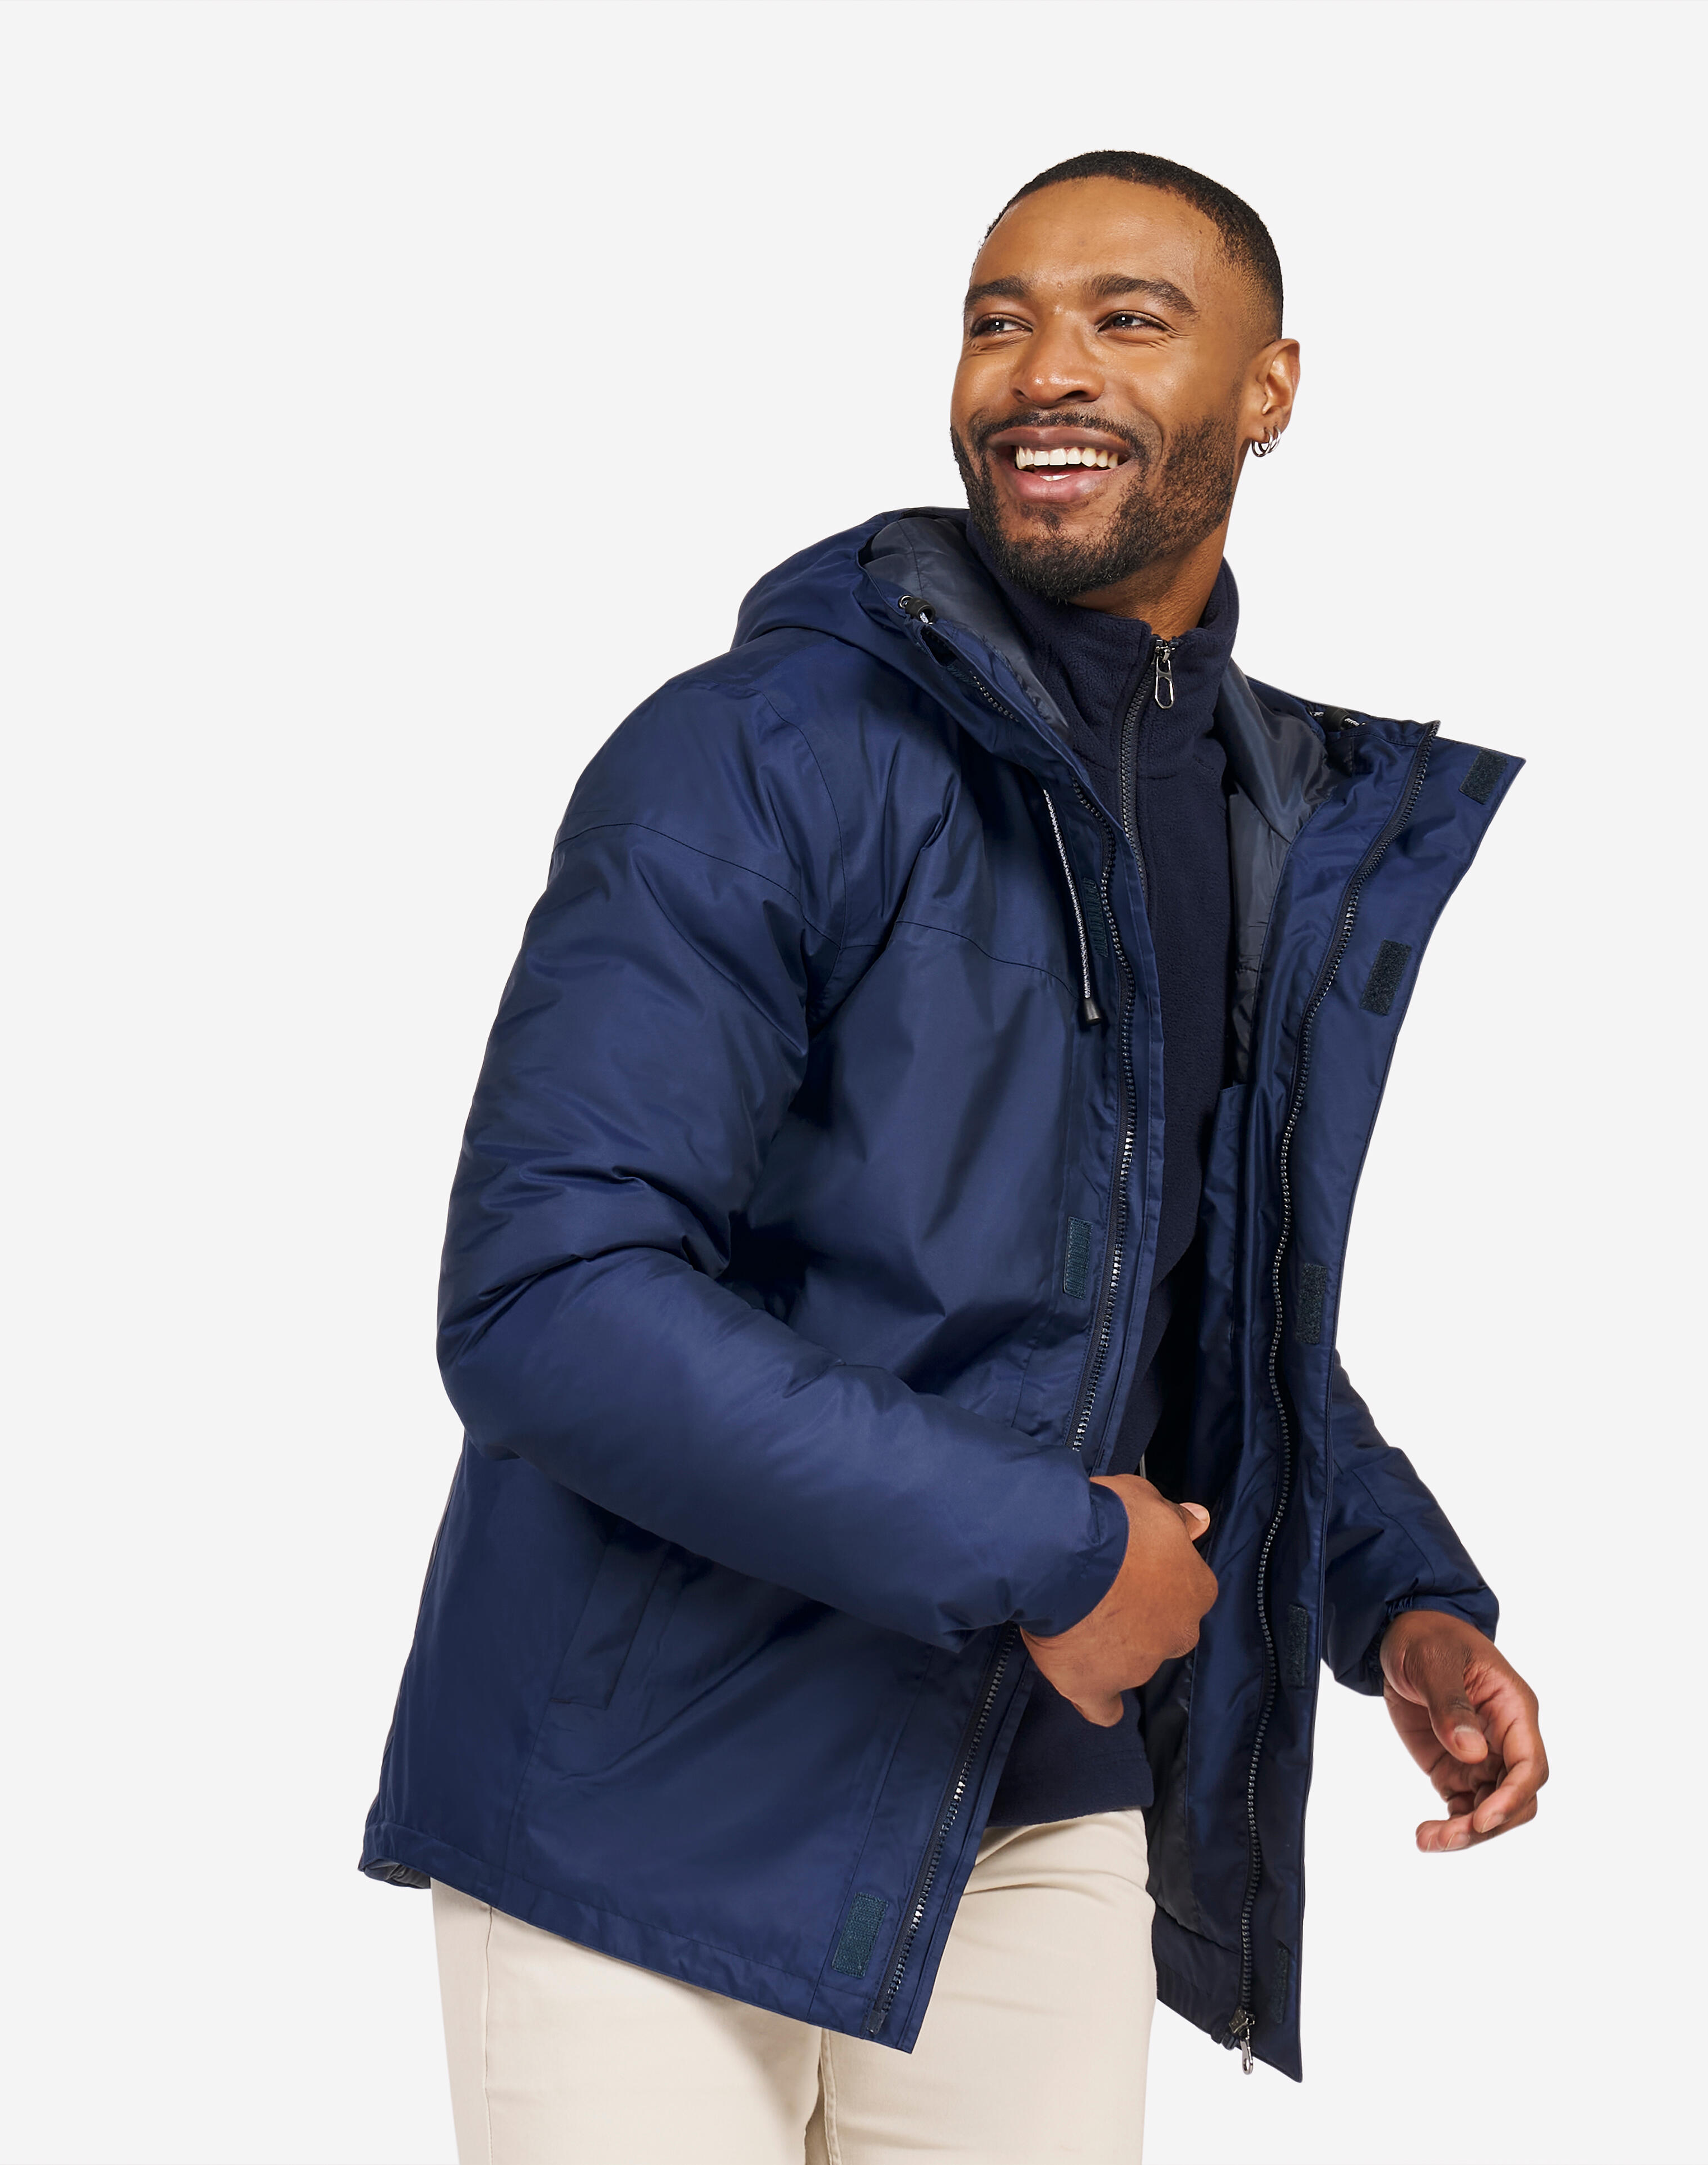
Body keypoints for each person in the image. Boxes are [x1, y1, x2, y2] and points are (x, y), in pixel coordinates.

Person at [362, 148, 1548, 2165]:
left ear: (1268, 388)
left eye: (1124, 320)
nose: (1041, 369)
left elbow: (1181, 1290)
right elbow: (548, 1298)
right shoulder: (757, 749)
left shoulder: (1258, 808)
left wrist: (1396, 1597)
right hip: (647, 1797)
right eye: (1000, 319)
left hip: (1032, 1801)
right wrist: (1060, 1550)